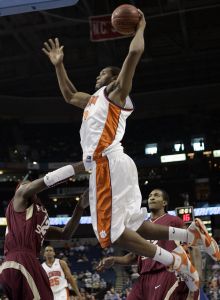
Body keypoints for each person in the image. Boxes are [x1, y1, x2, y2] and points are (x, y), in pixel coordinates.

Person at [42, 10, 220, 292]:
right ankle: (192, 235)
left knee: (111, 235)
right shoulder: (94, 100)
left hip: (107, 165)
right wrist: (58, 65)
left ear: (113, 78)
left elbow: (134, 53)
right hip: (117, 165)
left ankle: (175, 260)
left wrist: (140, 27)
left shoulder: (115, 93)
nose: (98, 75)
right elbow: (68, 95)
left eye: (103, 72)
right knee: (138, 227)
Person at [0, 162, 89, 300]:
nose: (29, 185)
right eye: (26, 184)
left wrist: (80, 207)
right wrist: (81, 165)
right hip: (22, 259)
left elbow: (65, 234)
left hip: (15, 264)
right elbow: (48, 180)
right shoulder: (19, 198)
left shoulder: (33, 219)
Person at [97, 188, 200, 299]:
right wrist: (114, 260)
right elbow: (133, 256)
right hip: (143, 278)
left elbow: (192, 246)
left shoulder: (174, 221)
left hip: (164, 273)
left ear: (164, 203)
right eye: (150, 195)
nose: (152, 197)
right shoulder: (141, 226)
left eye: (156, 195)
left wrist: (196, 280)